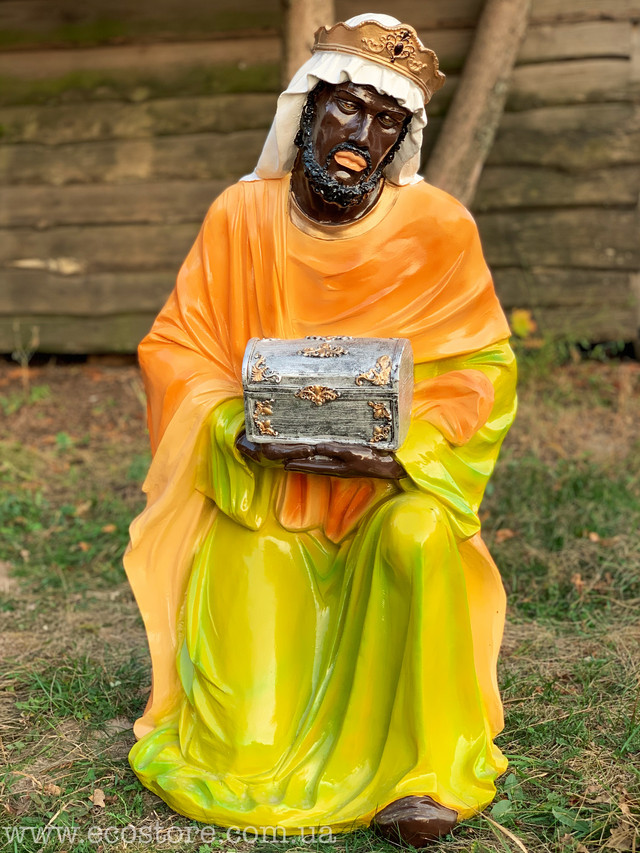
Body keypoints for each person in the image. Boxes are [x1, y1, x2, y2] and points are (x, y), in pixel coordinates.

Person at [125, 12, 517, 846]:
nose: (360, 136)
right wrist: (236, 427)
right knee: (247, 752)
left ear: (401, 138)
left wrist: (398, 452)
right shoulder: (241, 217)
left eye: (386, 120)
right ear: (307, 109)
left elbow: (481, 373)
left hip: (384, 499)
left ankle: (423, 771)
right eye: (345, 107)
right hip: (267, 502)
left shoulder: (439, 228)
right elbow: (175, 349)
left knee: (420, 535)